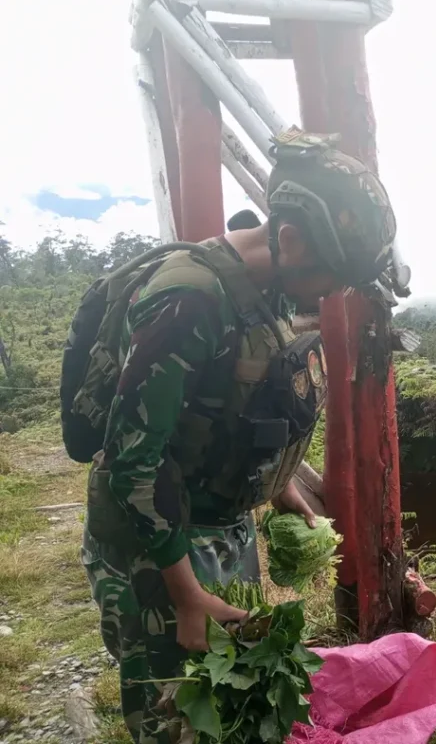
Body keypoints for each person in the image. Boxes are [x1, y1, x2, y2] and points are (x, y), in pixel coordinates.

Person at [79, 128, 398, 744]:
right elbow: (133, 462)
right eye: (328, 279)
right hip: (155, 549)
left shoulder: (268, 290)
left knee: (233, 699)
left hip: (213, 532)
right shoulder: (189, 301)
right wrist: (187, 594)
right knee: (178, 711)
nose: (329, 295)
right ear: (289, 238)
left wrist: (280, 487)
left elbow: (229, 407)